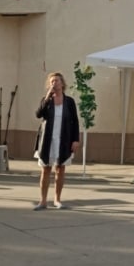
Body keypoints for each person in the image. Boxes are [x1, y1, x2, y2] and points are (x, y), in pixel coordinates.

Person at [32, 71, 80, 210]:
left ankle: (57, 200)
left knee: (60, 169)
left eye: (57, 81)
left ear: (62, 83)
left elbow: (75, 121)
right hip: (48, 139)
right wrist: (47, 98)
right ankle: (43, 201)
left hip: (63, 139)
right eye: (52, 81)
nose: (54, 83)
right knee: (46, 169)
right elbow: (38, 114)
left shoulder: (69, 101)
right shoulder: (46, 100)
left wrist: (75, 139)